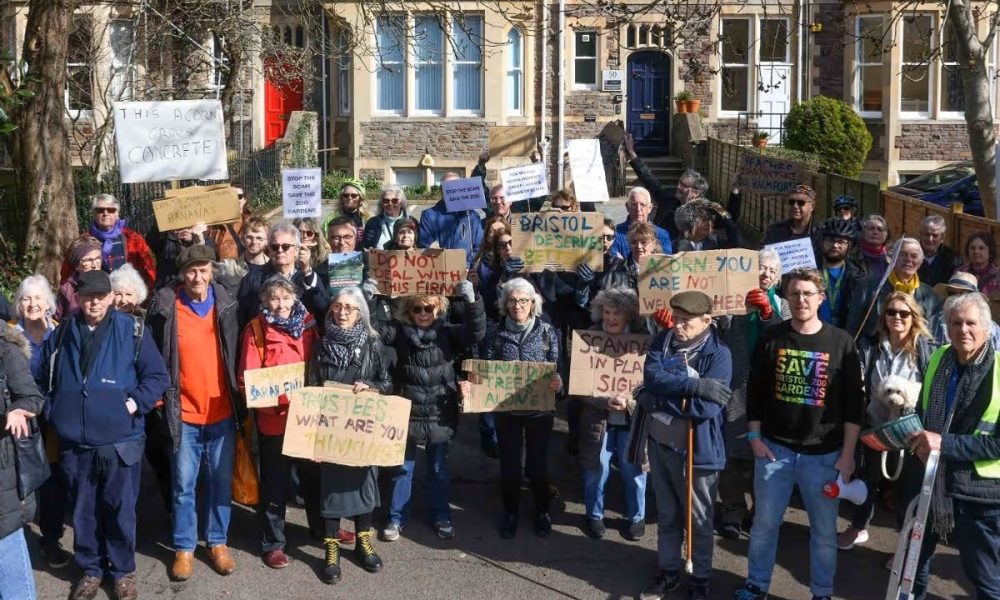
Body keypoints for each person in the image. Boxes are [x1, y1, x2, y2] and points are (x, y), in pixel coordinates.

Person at [39, 270, 169, 600]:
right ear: (77, 298)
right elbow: (40, 376)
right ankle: (91, 569)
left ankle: (123, 571)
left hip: (120, 439)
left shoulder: (132, 329)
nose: (94, 302)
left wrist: (131, 405)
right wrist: (55, 413)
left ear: (111, 297)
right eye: (87, 296)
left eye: (100, 296)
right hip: (76, 442)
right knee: (83, 512)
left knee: (119, 508)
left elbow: (157, 377)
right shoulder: (64, 330)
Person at [735, 268, 864, 600]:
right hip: (775, 452)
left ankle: (822, 592)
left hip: (824, 456)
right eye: (794, 294)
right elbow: (756, 392)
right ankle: (756, 584)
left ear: (821, 298)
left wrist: (848, 456)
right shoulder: (772, 338)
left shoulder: (842, 342)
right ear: (786, 298)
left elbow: (854, 406)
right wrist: (754, 438)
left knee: (823, 533)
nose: (801, 300)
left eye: (808, 293)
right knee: (764, 527)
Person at [147, 245, 244, 582]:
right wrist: (160, 400)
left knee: (219, 482)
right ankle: (184, 547)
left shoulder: (229, 304)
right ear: (182, 273)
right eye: (191, 270)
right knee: (183, 485)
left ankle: (217, 542)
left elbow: (242, 350)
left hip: (221, 411)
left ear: (212, 271)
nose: (198, 276)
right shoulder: (165, 307)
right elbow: (152, 356)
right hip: (183, 412)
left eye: (203, 269)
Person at [636, 291, 732, 600]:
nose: (677, 326)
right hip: (660, 446)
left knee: (698, 520)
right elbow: (651, 376)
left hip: (697, 452)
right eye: (675, 319)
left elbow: (707, 409)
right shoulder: (663, 341)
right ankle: (669, 572)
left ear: (707, 320)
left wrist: (657, 403)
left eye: (685, 321)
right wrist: (693, 386)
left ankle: (701, 579)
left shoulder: (719, 354)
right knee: (667, 514)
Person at [903, 292, 1000, 599]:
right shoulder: (938, 360)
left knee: (986, 579)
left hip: (980, 494)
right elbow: (922, 414)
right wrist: (908, 433)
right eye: (956, 322)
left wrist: (944, 444)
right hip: (930, 480)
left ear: (986, 328)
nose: (963, 329)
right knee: (914, 561)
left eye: (971, 323)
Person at [378, 281, 485, 541]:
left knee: (438, 469)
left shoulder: (448, 333)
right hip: (408, 411)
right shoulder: (399, 333)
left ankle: (441, 516)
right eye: (417, 308)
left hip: (440, 411)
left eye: (429, 308)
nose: (423, 313)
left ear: (439, 309)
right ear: (408, 310)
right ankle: (395, 518)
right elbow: (375, 329)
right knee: (403, 468)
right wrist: (370, 298)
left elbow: (476, 332)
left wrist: (472, 302)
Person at [836, 292, 936, 551]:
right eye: (891, 312)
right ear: (884, 317)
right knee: (867, 479)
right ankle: (858, 527)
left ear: (914, 317)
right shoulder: (871, 345)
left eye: (904, 313)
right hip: (875, 425)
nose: (897, 318)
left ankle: (904, 548)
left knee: (907, 488)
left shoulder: (925, 347)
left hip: (912, 429)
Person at [310, 287, 393, 583]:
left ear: (360, 313)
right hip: (332, 430)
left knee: (364, 487)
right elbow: (312, 387)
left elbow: (387, 383)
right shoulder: (321, 345)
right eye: (337, 307)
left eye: (349, 308)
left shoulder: (373, 343)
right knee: (332, 490)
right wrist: (312, 437)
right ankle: (331, 550)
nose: (342, 313)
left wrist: (370, 386)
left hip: (362, 430)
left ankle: (362, 542)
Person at [237, 278, 320, 570]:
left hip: (308, 419)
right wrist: (281, 399)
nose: (281, 305)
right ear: (264, 300)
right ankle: (273, 542)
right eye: (274, 299)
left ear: (294, 297)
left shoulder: (308, 324)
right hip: (274, 422)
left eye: (286, 298)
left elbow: (318, 364)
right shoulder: (255, 330)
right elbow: (248, 381)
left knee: (314, 479)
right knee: (275, 485)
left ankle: (322, 531)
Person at [469, 278, 561, 539]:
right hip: (506, 412)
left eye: (523, 300)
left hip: (539, 411)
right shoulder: (496, 334)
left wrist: (558, 382)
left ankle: (542, 511)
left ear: (533, 303)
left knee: (537, 466)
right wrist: (473, 386)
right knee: (509, 467)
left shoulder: (546, 332)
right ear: (505, 304)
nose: (518, 305)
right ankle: (510, 512)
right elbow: (484, 369)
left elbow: (557, 367)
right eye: (512, 300)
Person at [715, 250, 790, 540]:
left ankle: (761, 512)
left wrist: (768, 315)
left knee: (768, 455)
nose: (766, 274)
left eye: (772, 270)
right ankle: (732, 510)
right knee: (733, 454)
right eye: (761, 268)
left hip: (770, 391)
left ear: (778, 276)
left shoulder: (783, 306)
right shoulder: (733, 303)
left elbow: (785, 339)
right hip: (735, 387)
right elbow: (717, 330)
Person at [578, 288, 648, 540]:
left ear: (628, 315)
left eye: (616, 312)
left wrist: (629, 401)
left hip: (632, 420)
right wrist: (603, 400)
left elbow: (650, 383)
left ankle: (636, 517)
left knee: (634, 471)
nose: (610, 318)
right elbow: (579, 385)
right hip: (599, 421)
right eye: (606, 312)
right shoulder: (590, 338)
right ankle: (594, 515)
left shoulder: (642, 341)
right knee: (597, 469)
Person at [12, 275, 70, 568]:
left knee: (53, 481)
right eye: (26, 299)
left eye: (38, 298)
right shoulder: (10, 338)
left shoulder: (60, 333)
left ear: (49, 303)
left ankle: (50, 538)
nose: (32, 304)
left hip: (54, 420)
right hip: (20, 419)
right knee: (21, 482)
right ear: (19, 305)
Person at [0, 320, 46, 600]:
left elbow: (31, 396)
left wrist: (17, 410)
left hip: (2, 470)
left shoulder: (5, 350)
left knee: (6, 542)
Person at [846, 237, 942, 340]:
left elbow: (933, 335)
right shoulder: (867, 287)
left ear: (920, 262)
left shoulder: (930, 296)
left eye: (914, 256)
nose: (908, 260)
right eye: (903, 255)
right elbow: (852, 329)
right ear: (892, 258)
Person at [237, 224, 329, 328]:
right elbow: (242, 317)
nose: (280, 250)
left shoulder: (306, 277)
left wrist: (307, 271)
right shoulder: (253, 279)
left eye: (286, 247)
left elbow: (322, 306)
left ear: (297, 250)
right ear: (269, 250)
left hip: (302, 341)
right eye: (275, 247)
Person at [61, 194, 156, 289]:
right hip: (96, 295)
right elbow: (67, 274)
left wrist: (147, 295)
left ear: (117, 213)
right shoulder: (82, 242)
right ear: (94, 213)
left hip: (126, 295)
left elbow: (148, 268)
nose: (105, 213)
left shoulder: (133, 239)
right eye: (100, 210)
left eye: (111, 210)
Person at [622, 133, 704, 237]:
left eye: (684, 185)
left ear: (695, 192)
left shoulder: (702, 213)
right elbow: (648, 177)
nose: (678, 187)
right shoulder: (668, 198)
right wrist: (631, 151)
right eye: (679, 183)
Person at [417, 172, 484, 267]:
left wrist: (472, 267)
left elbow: (479, 247)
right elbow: (425, 245)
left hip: (466, 271)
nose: (453, 190)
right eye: (448, 187)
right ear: (441, 189)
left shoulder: (472, 216)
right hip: (440, 271)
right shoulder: (429, 215)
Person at [930, 272, 1000, 347]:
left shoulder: (990, 327)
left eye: (964, 294)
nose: (957, 298)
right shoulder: (933, 322)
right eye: (952, 293)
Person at [816, 218, 864, 329]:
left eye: (841, 241)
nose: (835, 245)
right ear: (822, 242)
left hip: (845, 336)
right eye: (830, 240)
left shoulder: (858, 276)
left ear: (849, 245)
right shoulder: (809, 271)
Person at [608, 187, 673, 260]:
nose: (638, 209)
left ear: (650, 208)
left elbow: (664, 263)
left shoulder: (661, 234)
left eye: (642, 205)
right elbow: (613, 260)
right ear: (627, 207)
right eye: (634, 204)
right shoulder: (614, 233)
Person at [761, 185, 822, 259]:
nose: (795, 206)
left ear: (811, 206)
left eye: (801, 202)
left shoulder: (820, 233)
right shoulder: (775, 231)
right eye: (791, 202)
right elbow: (763, 255)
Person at [149, 225, 214, 290]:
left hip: (196, 289)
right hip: (169, 288)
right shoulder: (164, 240)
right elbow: (151, 241)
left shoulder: (205, 240)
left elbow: (207, 259)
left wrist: (195, 241)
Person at [57, 237, 103, 320]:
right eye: (88, 260)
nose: (94, 265)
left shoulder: (110, 283)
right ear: (76, 265)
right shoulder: (67, 290)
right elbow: (57, 321)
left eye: (98, 259)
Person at [673, 198, 742, 251]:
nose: (708, 223)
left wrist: (723, 212)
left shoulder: (713, 241)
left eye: (709, 218)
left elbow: (735, 243)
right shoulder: (677, 245)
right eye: (703, 219)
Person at [917, 215, 962, 288]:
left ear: (942, 238)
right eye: (927, 234)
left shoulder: (953, 258)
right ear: (920, 234)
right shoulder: (910, 254)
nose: (930, 239)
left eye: (935, 236)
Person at [207, 186, 250, 260]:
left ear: (245, 200)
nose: (235, 199)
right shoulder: (215, 224)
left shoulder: (251, 222)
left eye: (239, 196)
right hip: (220, 267)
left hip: (244, 268)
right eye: (231, 196)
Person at [363, 185, 410, 250]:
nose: (390, 203)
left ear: (401, 202)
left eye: (395, 200)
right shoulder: (372, 223)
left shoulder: (411, 222)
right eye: (386, 201)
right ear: (382, 203)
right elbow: (366, 246)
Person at [849, 214, 890, 280]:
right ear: (863, 232)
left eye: (880, 229)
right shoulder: (852, 257)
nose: (875, 232)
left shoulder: (892, 259)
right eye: (871, 229)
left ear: (886, 234)